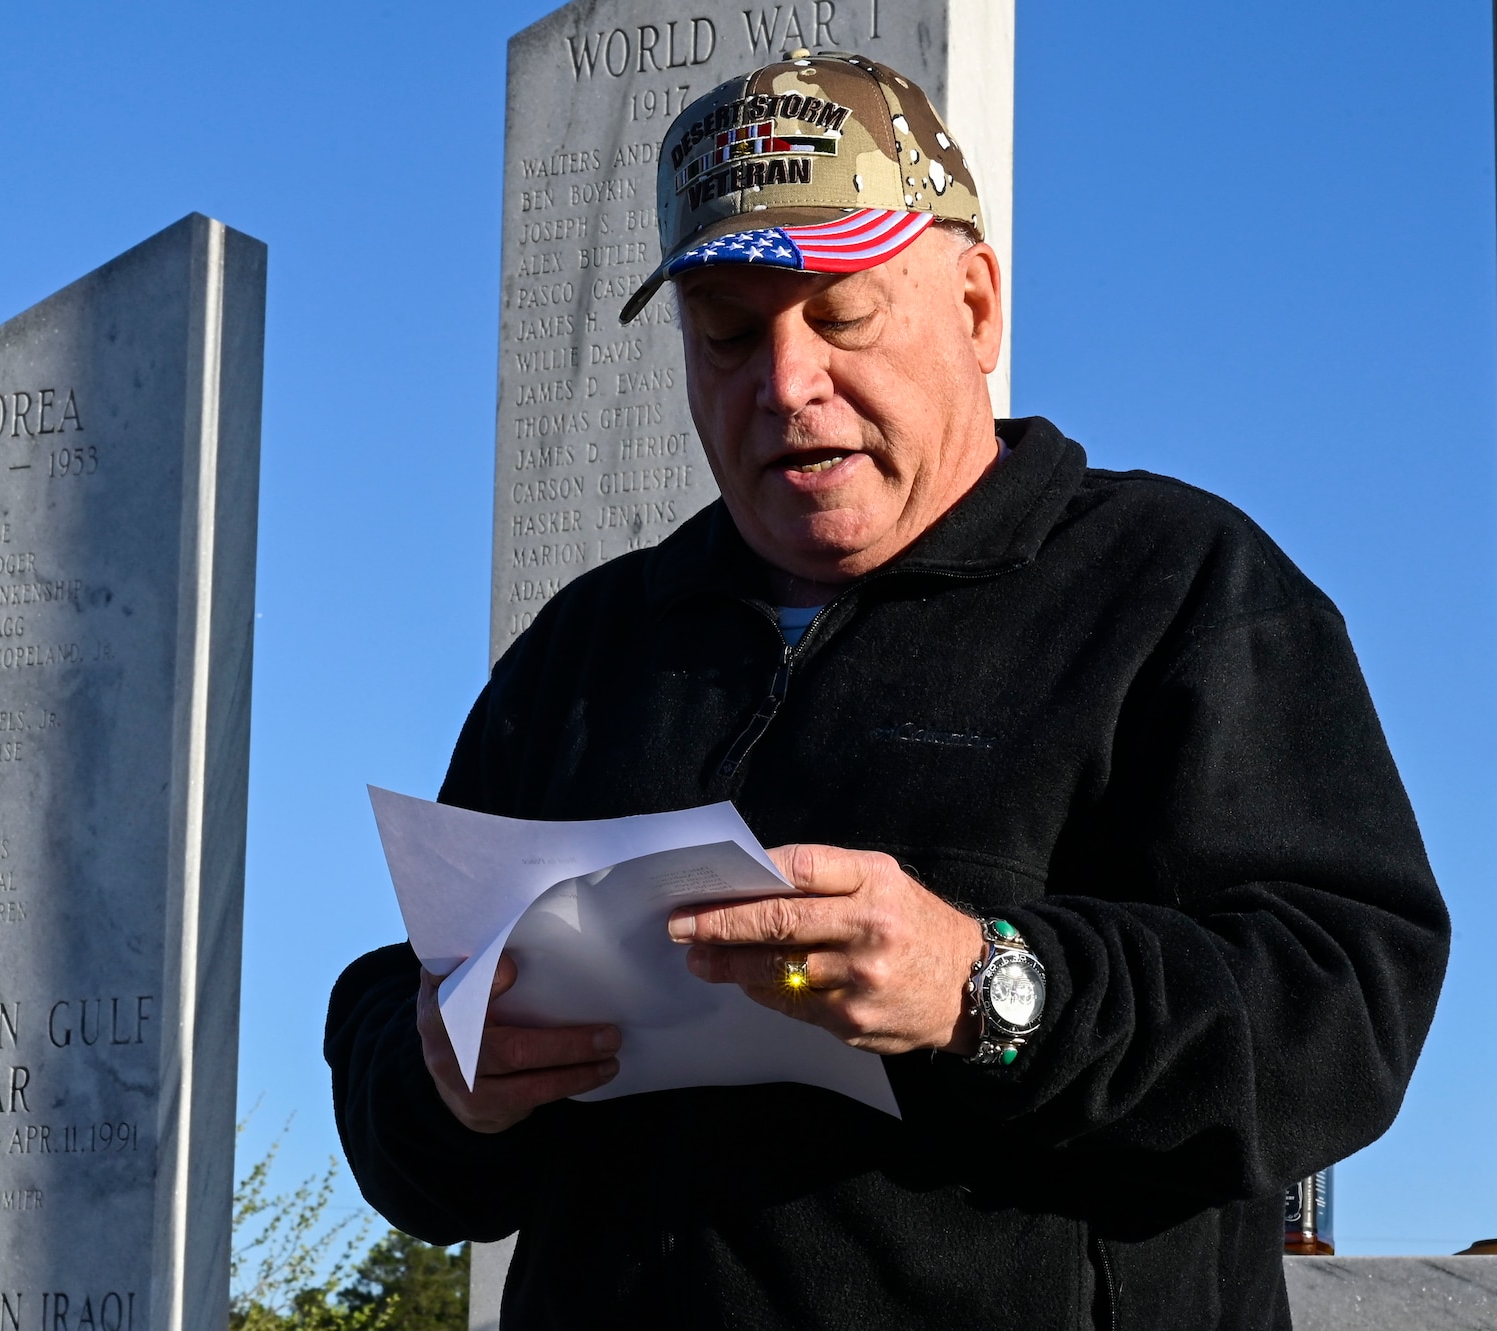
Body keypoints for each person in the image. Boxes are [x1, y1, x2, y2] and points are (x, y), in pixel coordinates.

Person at [325, 51, 1450, 1329]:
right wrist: (436, 1080)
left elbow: (1342, 1007)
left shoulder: (1177, 585)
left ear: (973, 306)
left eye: (840, 314)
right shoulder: (587, 649)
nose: (785, 383)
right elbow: (413, 1059)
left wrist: (983, 985)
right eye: (727, 335)